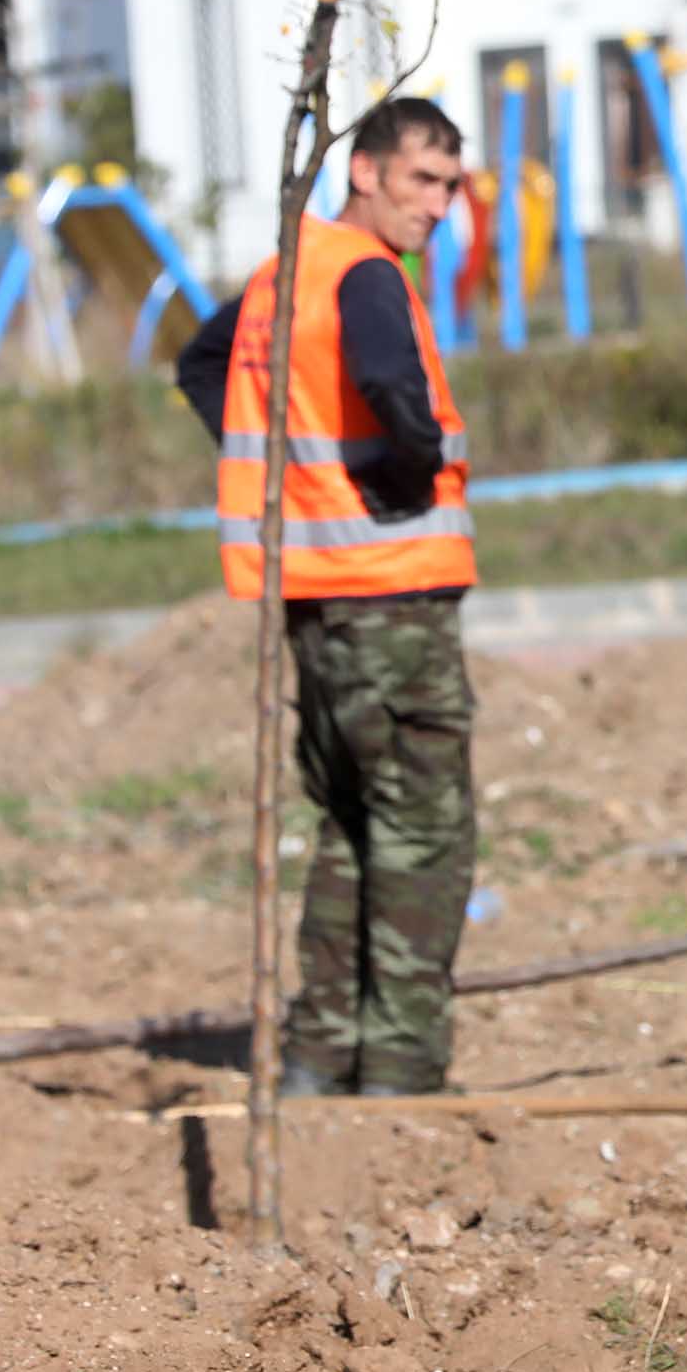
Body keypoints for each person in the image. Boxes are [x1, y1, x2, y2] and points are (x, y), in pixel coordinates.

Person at [175, 99, 479, 1097]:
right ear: (366, 172)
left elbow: (202, 363)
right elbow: (393, 382)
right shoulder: (364, 274)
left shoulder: (283, 274)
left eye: (450, 185)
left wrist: (304, 473)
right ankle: (399, 1075)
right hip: (388, 595)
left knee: (350, 827)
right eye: (422, 180)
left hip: (313, 600)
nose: (438, 207)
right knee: (421, 832)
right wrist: (407, 458)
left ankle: (318, 1055)